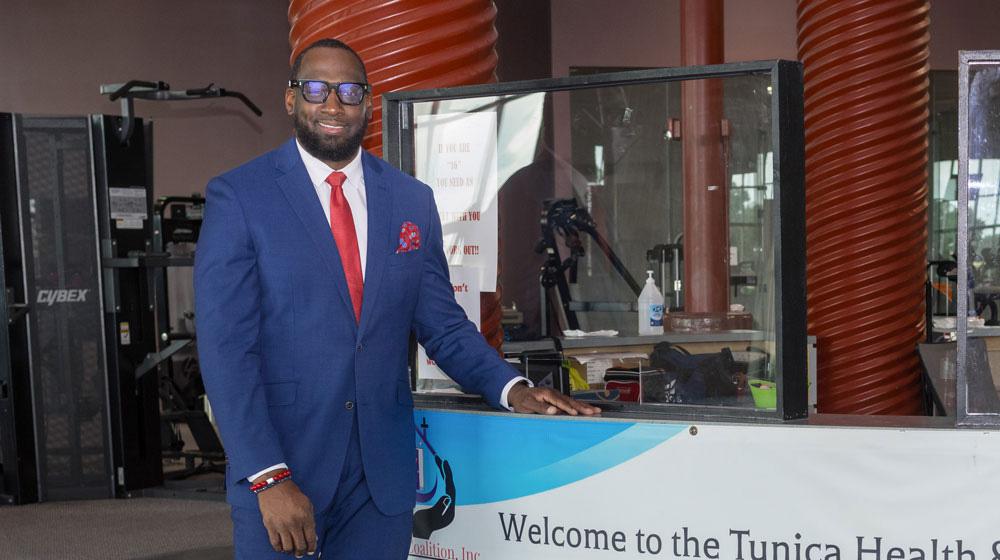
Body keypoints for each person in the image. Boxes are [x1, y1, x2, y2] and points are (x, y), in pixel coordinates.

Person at [194, 38, 600, 560]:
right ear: (290, 99)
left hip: (378, 483)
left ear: (367, 102)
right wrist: (268, 477)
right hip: (284, 474)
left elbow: (443, 324)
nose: (333, 105)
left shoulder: (410, 200)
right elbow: (227, 353)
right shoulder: (241, 198)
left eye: (349, 91)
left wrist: (512, 387)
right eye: (316, 89)